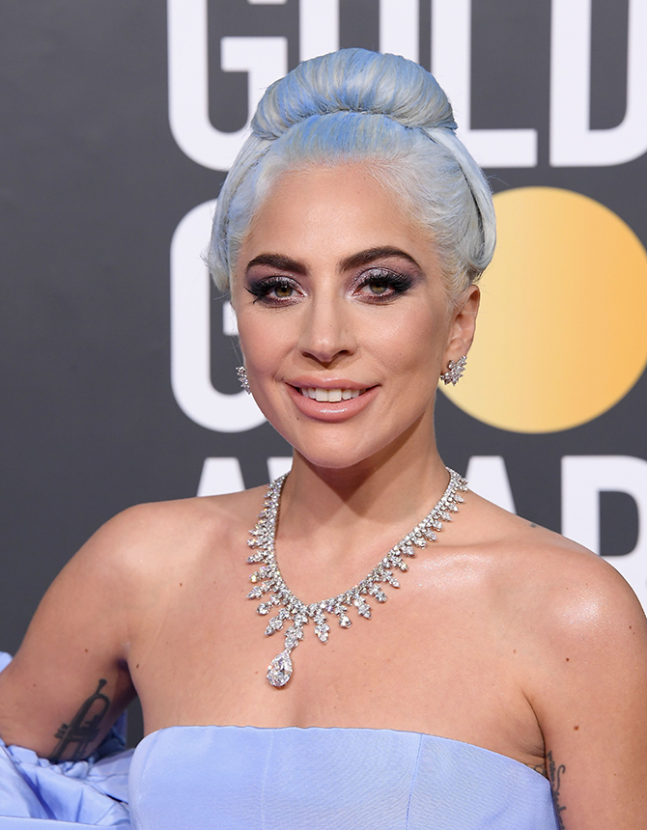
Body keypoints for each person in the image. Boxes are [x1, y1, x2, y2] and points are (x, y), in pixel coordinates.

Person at [1, 48, 646, 830]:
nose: (323, 337)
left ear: (458, 322)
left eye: (378, 284)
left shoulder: (569, 616)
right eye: (278, 288)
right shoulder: (141, 569)